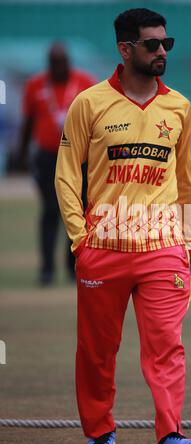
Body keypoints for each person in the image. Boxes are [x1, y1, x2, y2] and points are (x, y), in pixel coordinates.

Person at [55, 8, 191, 444]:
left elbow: (186, 180)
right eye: (152, 44)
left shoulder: (180, 106)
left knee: (166, 347)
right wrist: (80, 239)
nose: (162, 51)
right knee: (97, 353)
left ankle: (171, 437)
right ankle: (101, 436)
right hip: (102, 246)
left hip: (164, 246)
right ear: (125, 49)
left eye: (166, 44)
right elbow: (66, 174)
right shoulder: (89, 103)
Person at [18, 43, 96, 285]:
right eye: (54, 62)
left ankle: (74, 267)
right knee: (51, 211)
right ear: (48, 63)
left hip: (80, 157)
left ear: (69, 61)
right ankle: (47, 269)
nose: (59, 66)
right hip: (47, 157)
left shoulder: (85, 82)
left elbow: (96, 121)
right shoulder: (35, 85)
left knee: (79, 211)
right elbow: (28, 122)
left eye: (62, 61)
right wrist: (21, 154)